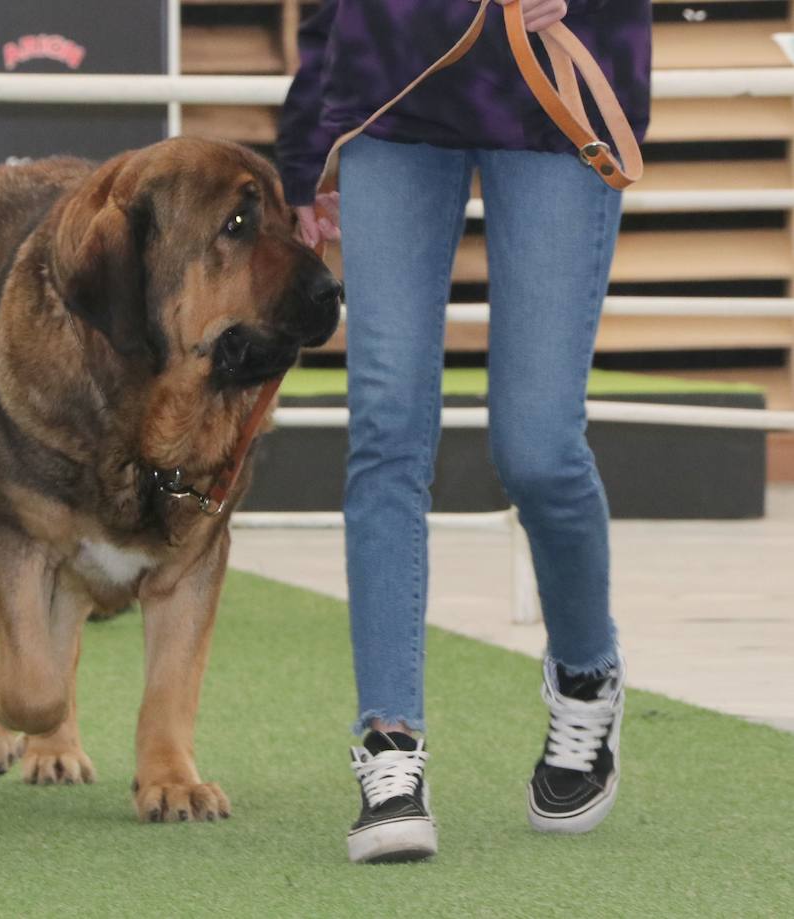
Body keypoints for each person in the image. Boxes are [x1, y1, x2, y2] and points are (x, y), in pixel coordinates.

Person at [277, 0, 650, 863]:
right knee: (386, 425)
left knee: (538, 446)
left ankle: (587, 672)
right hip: (389, 95)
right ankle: (389, 746)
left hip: (552, 83)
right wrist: (309, 141)